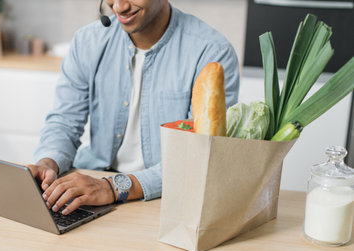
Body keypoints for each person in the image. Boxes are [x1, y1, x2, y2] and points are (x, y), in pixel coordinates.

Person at [28, 0, 239, 215]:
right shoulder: (87, 41)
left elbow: (198, 154)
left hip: (162, 198)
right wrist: (48, 162)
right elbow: (64, 122)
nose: (119, 6)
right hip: (91, 186)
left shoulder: (212, 52)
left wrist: (113, 187)